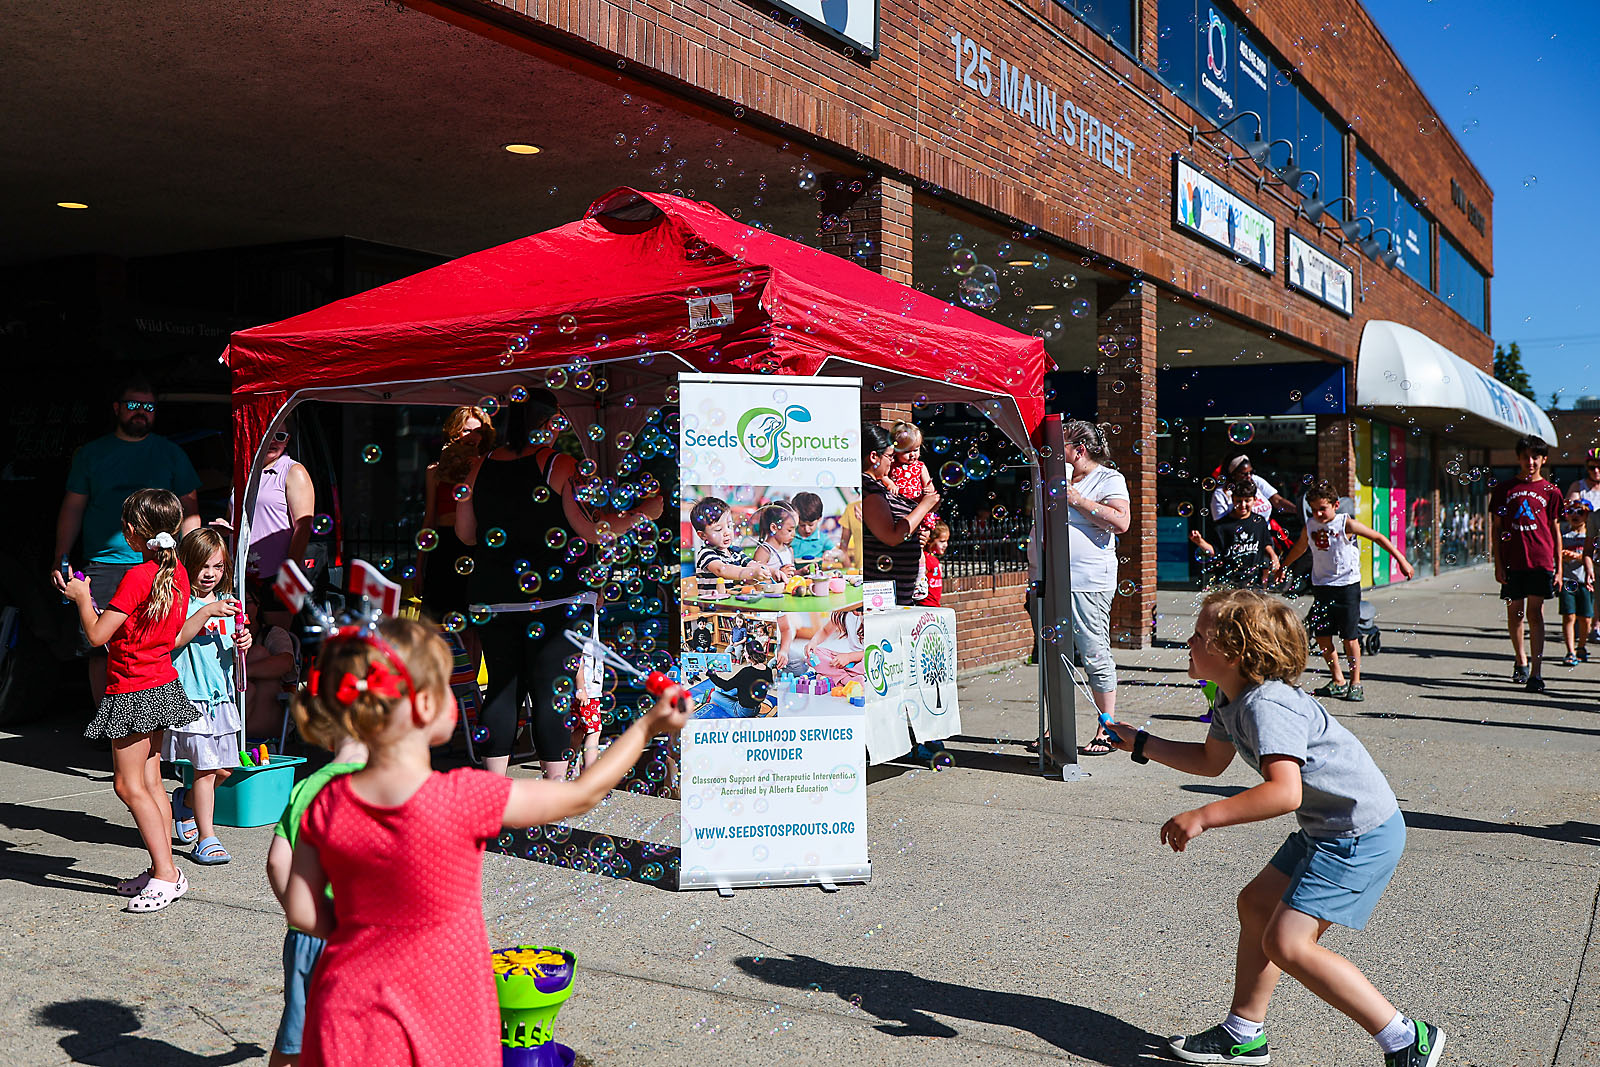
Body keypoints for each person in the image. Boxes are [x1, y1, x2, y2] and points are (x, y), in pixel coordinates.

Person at [281, 616, 689, 1066]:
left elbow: (302, 909)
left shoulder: (327, 799)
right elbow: (580, 795)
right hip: (444, 1009)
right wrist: (647, 726)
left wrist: (371, 928)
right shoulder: (462, 798)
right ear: (426, 708)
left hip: (347, 1007)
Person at [1102, 589, 1444, 1067]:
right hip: (1328, 828)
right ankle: (1243, 1033)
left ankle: (1406, 1038)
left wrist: (1202, 816)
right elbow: (1211, 760)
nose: (1190, 644)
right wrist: (1141, 742)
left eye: (1200, 636)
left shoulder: (1267, 705)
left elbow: (1285, 793)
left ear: (1234, 652)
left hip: (1357, 834)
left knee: (1286, 943)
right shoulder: (1229, 696)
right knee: (1258, 905)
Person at [456, 390, 662, 779]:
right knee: (551, 691)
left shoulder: (479, 467)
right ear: (550, 423)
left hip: (493, 597)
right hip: (556, 599)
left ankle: (492, 795)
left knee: (502, 690)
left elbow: (467, 534)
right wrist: (643, 513)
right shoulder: (558, 464)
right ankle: (553, 793)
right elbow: (593, 530)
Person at [54, 489, 215, 913]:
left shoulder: (138, 576)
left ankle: (167, 873)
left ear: (130, 533)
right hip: (161, 685)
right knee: (151, 782)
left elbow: (96, 635)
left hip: (133, 691)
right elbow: (174, 635)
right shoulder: (177, 572)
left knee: (127, 785)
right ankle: (161, 867)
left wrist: (81, 597)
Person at [53, 375, 201, 706]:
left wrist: (192, 559)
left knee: (158, 640)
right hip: (104, 563)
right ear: (117, 408)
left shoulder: (171, 453)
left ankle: (148, 714)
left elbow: (190, 508)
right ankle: (107, 720)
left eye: (148, 407)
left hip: (159, 565)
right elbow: (73, 506)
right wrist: (60, 555)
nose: (141, 413)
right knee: (100, 647)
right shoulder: (91, 454)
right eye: (133, 405)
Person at [265, 727, 367, 1067]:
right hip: (362, 937)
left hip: (308, 937)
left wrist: (302, 915)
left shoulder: (307, 788)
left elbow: (277, 862)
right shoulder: (384, 789)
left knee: (297, 1034)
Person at [1276, 481, 1413, 703]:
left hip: (1347, 588)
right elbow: (1300, 547)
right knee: (1322, 636)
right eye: (1314, 509)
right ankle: (1338, 679)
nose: (1319, 514)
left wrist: (1402, 561)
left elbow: (1378, 537)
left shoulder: (1345, 524)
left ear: (1336, 505)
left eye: (1323, 508)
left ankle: (1355, 682)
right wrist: (1284, 566)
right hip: (1321, 587)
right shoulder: (1310, 526)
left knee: (1350, 637)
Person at [165, 529, 254, 865]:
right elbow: (173, 639)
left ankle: (185, 801)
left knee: (226, 768)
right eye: (202, 566)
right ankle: (207, 838)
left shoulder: (230, 604)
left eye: (217, 567)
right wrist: (206, 612)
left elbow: (231, 648)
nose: (210, 574)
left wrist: (243, 640)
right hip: (191, 698)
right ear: (185, 564)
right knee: (206, 768)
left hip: (221, 698)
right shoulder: (179, 601)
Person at [1056, 419, 1129, 757]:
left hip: (1088, 582)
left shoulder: (1109, 478)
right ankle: (1055, 726)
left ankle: (1107, 728)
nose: (1055, 450)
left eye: (1062, 445)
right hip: (1053, 579)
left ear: (1079, 450)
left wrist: (1076, 500)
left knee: (1094, 653)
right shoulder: (1056, 476)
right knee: (1053, 658)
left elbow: (1121, 521)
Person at [1489, 436, 1564, 692]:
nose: (1530, 462)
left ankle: (1536, 672)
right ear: (1518, 458)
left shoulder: (1552, 491)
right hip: (1512, 561)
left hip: (1541, 560)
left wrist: (1559, 566)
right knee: (1515, 613)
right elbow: (1496, 529)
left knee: (1535, 613)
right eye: (1525, 456)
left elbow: (1555, 530)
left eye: (1535, 457)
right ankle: (1520, 659)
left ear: (1544, 460)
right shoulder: (1504, 489)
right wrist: (1497, 563)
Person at [419, 406, 495, 621]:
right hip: (443, 546)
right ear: (454, 433)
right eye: (465, 430)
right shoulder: (435, 470)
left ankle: (471, 657)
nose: (472, 436)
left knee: (474, 620)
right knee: (437, 621)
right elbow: (429, 518)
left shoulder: (490, 467)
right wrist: (419, 567)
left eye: (478, 431)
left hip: (475, 545)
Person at [860, 423, 940, 607]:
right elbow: (892, 536)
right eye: (889, 456)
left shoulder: (879, 486)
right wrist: (924, 506)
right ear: (874, 457)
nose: (891, 461)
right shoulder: (869, 489)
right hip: (883, 597)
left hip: (898, 594)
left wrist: (921, 530)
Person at [241, 426, 315, 595]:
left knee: (275, 622)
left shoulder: (294, 471)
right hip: (240, 574)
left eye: (280, 436)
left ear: (287, 440)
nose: (273, 440)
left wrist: (288, 576)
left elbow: (303, 527)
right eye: (266, 434)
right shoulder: (244, 470)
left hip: (274, 576)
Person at [1191, 479, 1279, 589]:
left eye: (1247, 501)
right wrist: (1200, 542)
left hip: (1254, 579)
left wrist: (1273, 556)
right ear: (1232, 499)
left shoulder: (1259, 522)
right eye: (1238, 501)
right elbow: (1215, 551)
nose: (1243, 505)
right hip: (1229, 580)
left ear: (1255, 500)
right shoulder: (1222, 526)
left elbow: (1266, 542)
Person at [690, 496, 774, 594]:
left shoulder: (735, 552)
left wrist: (771, 572)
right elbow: (722, 570)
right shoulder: (706, 554)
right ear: (702, 535)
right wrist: (752, 573)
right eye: (718, 529)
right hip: (712, 607)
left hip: (729, 604)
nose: (727, 532)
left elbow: (753, 564)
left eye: (729, 526)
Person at [1557, 500, 1594, 667]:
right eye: (1571, 511)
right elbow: (1554, 556)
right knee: (1568, 616)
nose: (1575, 515)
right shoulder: (1563, 536)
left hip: (1586, 582)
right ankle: (1570, 651)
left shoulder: (1591, 536)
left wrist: (1577, 557)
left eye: (1580, 512)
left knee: (1585, 619)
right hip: (1567, 581)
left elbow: (1594, 557)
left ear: (1587, 515)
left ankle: (1581, 647)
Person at [1208, 451, 1294, 522]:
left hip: (1265, 535)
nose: (1249, 476)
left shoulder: (1255, 480)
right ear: (1233, 474)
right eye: (1244, 474)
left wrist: (1297, 510)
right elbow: (1221, 523)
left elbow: (1277, 500)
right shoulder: (1221, 494)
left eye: (1251, 472)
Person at [888, 421, 939, 531]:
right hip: (899, 509)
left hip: (917, 507)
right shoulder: (891, 465)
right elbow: (882, 477)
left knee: (920, 535)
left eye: (916, 450)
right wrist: (890, 483)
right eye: (906, 451)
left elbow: (930, 487)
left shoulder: (920, 466)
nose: (912, 455)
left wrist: (928, 490)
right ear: (895, 450)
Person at [750, 500, 800, 575]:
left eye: (795, 529)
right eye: (789, 530)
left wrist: (801, 572)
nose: (794, 534)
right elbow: (756, 579)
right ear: (774, 528)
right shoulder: (764, 551)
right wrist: (778, 575)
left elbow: (791, 574)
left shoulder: (789, 550)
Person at [790, 491, 838, 563]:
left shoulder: (822, 538)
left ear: (819, 518)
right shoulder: (790, 536)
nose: (807, 530)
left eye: (811, 525)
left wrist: (829, 553)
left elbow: (837, 552)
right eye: (802, 525)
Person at [918, 522, 949, 607]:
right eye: (942, 541)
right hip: (925, 605)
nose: (945, 545)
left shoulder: (932, 559)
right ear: (929, 541)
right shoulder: (925, 559)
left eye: (947, 541)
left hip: (934, 604)